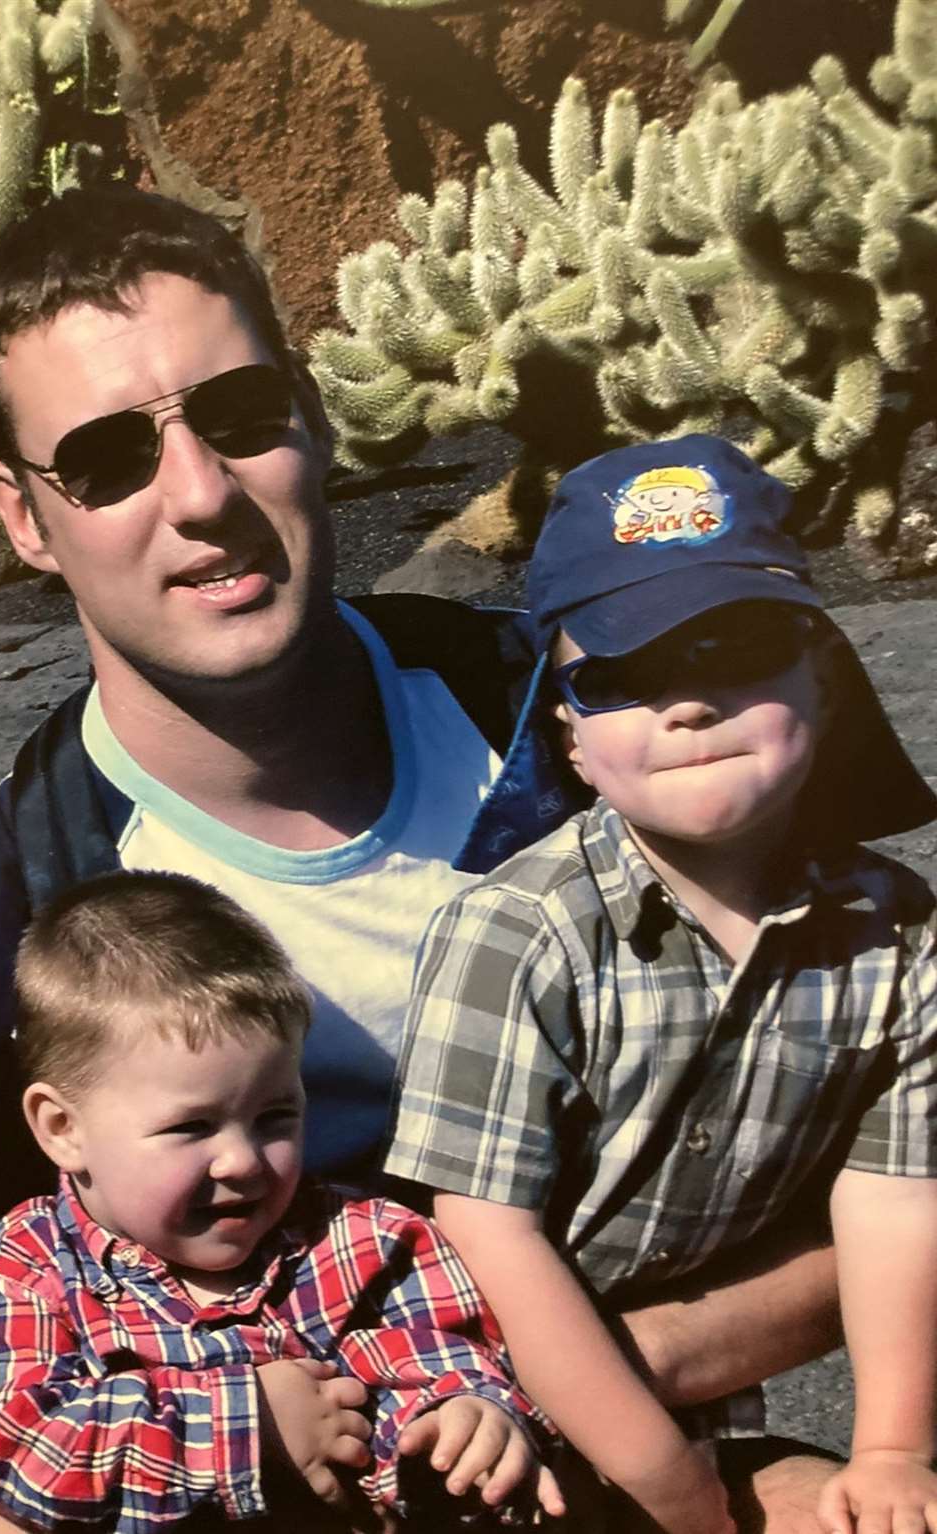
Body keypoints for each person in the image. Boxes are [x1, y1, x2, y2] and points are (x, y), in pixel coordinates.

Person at [0, 186, 891, 1533]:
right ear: (21, 516)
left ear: (314, 411)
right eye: (108, 458)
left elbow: (898, 1107)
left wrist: (579, 1395)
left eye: (237, 417)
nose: (203, 495)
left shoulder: (598, 718)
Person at [384, 435, 937, 1534]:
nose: (688, 702)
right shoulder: (518, 932)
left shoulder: (898, 934)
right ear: (571, 734)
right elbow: (491, 1239)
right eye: (627, 673)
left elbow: (895, 1198)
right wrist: (673, 1490)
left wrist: (891, 1449)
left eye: (738, 647)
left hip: (699, 1407)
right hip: (465, 1408)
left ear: (823, 677)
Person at [0, 870, 558, 1531]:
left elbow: (437, 1360)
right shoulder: (31, 1268)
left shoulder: (367, 1241)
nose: (242, 1161)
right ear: (64, 1129)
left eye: (275, 1116)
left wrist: (462, 1423)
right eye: (191, 1127)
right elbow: (13, 1448)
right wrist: (251, 1423)